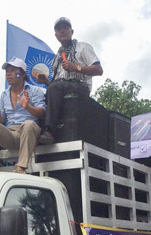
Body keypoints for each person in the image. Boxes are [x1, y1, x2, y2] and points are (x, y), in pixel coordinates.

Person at [36, 17, 103, 145]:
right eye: (59, 29)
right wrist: (46, 82)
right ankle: (37, 132)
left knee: (55, 88)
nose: (62, 31)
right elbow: (57, 88)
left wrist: (76, 67)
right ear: (55, 35)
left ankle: (49, 131)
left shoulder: (83, 47)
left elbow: (99, 70)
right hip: (62, 87)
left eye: (65, 28)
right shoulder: (57, 57)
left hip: (81, 87)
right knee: (42, 95)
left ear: (72, 31)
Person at [0, 58, 46, 173]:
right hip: (11, 133)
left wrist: (27, 107)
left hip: (29, 132)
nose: (9, 74)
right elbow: (2, 121)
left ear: (22, 74)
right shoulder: (4, 95)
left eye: (13, 70)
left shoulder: (34, 91)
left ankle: (21, 167)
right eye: (7, 71)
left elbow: (42, 113)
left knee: (28, 124)